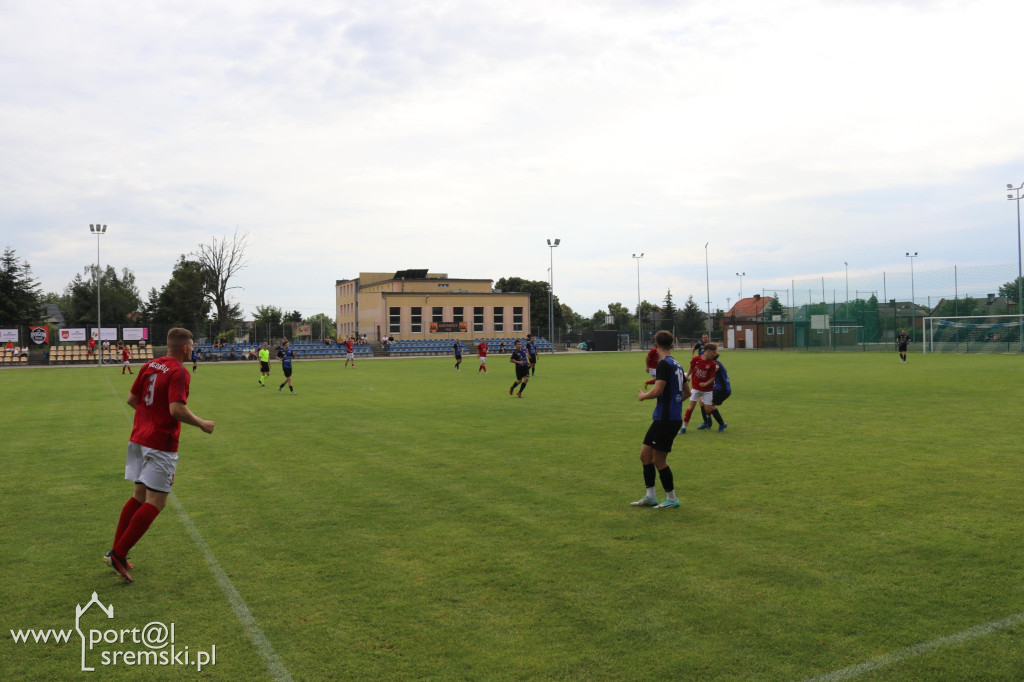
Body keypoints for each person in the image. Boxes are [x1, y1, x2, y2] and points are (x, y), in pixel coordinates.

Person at [103, 327, 215, 583]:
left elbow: (132, 399)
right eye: (192, 346)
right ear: (185, 348)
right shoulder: (179, 371)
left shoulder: (150, 364)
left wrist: (150, 416)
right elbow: (176, 409)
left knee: (139, 496)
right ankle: (118, 554)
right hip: (160, 443)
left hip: (139, 439)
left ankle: (116, 551)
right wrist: (202, 424)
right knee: (157, 502)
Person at [631, 330, 686, 509]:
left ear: (655, 345)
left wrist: (643, 396)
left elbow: (658, 390)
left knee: (658, 460)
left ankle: (671, 499)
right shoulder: (677, 364)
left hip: (666, 419)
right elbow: (687, 392)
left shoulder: (664, 364)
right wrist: (675, 401)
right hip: (665, 417)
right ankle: (650, 496)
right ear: (672, 344)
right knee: (645, 456)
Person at [679, 343, 718, 434]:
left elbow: (712, 378)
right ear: (708, 351)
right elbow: (691, 368)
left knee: (708, 410)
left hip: (707, 390)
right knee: (691, 407)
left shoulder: (712, 364)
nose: (715, 354)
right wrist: (687, 377)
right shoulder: (696, 359)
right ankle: (684, 427)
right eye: (713, 352)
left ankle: (708, 419)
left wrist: (705, 384)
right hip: (696, 388)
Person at [698, 348, 730, 433]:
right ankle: (706, 422)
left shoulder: (715, 363)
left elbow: (716, 367)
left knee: (710, 405)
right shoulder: (712, 363)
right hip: (717, 388)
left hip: (723, 389)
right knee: (702, 401)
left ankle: (722, 424)